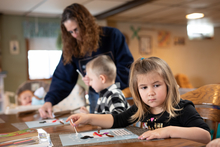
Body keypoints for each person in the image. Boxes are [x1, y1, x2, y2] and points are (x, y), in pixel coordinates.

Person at [66, 57, 211, 144]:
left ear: (168, 84)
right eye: (144, 87)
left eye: (156, 85)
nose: (150, 93)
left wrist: (168, 131)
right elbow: (116, 120)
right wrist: (88, 118)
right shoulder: (141, 109)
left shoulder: (182, 108)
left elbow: (205, 135)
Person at [38, 3, 133, 118]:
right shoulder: (72, 46)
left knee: (118, 125)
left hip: (118, 92)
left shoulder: (113, 35)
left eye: (76, 29)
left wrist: (104, 83)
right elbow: (62, 78)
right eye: (70, 32)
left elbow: (126, 67)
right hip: (95, 95)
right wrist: (49, 101)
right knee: (98, 128)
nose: (75, 35)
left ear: (86, 24)